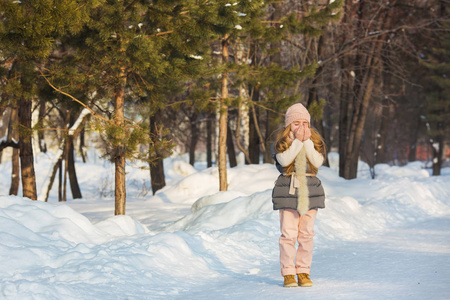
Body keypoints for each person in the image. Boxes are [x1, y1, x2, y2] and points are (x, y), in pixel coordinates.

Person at [271, 103, 326, 288]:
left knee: (306, 234)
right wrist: (297, 142)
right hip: (289, 191)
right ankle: (288, 273)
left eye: (305, 123)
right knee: (288, 234)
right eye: (296, 123)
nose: (301, 127)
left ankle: (303, 271)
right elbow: (284, 160)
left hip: (310, 192)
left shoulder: (314, 141)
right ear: (288, 125)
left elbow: (317, 161)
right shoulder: (282, 143)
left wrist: (307, 142)